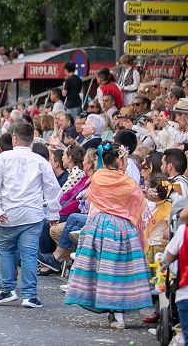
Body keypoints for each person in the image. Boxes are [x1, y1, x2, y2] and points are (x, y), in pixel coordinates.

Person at [65, 141, 152, 329]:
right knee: (118, 271)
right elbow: (138, 203)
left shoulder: (97, 178)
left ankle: (109, 308)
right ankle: (118, 312)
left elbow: (91, 198)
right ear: (120, 159)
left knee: (102, 270)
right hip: (122, 228)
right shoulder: (127, 182)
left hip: (99, 226)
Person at [0, 122, 62, 308]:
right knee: (28, 254)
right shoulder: (41, 161)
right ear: (32, 140)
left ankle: (7, 289)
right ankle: (29, 295)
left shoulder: (2, 159)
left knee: (5, 251)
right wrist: (53, 212)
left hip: (8, 213)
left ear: (14, 138)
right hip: (32, 214)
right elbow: (52, 188)